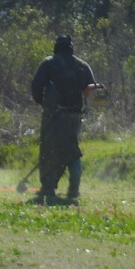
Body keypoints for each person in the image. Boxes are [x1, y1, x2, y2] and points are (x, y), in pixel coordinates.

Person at [29, 35, 99, 204]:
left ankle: (49, 188)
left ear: (56, 47)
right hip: (75, 117)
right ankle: (74, 189)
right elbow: (93, 92)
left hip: (54, 115)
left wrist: (43, 104)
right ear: (71, 48)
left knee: (49, 152)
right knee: (72, 152)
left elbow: (36, 88)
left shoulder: (48, 63)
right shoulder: (83, 66)